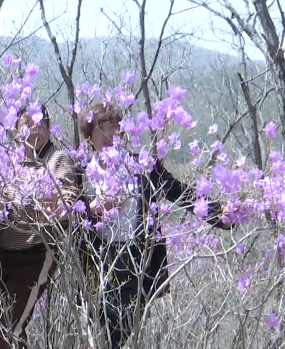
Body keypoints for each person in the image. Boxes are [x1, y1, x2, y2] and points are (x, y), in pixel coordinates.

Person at [77, 103, 233, 348]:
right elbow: (66, 210)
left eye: (114, 126)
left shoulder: (141, 166)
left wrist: (218, 213)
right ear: (88, 133)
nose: (108, 134)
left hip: (136, 259)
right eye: (100, 127)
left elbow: (177, 191)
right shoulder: (81, 171)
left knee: (123, 328)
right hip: (97, 259)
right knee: (100, 333)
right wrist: (93, 207)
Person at [0, 104, 81, 349]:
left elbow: (66, 202)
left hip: (36, 254)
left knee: (7, 329)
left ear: (49, 129)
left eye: (39, 124)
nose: (32, 130)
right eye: (26, 125)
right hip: (3, 253)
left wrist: (40, 199)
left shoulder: (57, 160)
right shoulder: (9, 161)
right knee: (7, 328)